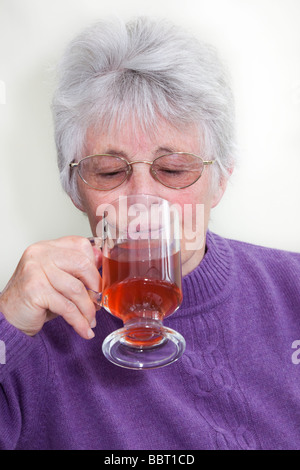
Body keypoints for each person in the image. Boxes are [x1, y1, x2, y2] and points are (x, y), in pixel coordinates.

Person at [0, 16, 299, 451]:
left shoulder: (292, 292)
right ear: (74, 190)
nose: (142, 204)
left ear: (222, 180)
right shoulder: (30, 332)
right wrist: (6, 321)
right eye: (109, 171)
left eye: (174, 169)